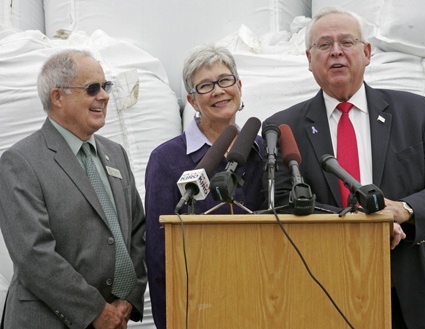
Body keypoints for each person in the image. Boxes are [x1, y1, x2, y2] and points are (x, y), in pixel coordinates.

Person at [263, 6, 425, 329]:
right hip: (325, 290)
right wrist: (362, 226)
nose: (336, 53)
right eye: (324, 45)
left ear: (367, 52)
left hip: (414, 294)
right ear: (309, 58)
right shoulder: (284, 128)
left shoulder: (416, 112)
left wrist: (404, 211)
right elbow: (283, 206)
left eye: (346, 42)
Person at [0, 49, 147, 329]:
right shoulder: (21, 162)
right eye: (92, 88)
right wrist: (95, 311)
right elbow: (34, 255)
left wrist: (127, 299)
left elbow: (137, 233)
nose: (103, 96)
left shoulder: (115, 154)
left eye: (106, 87)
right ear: (57, 97)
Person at [145, 44, 265, 328]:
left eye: (225, 80)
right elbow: (160, 253)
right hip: (200, 306)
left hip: (262, 300)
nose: (219, 91)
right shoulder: (167, 159)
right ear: (192, 100)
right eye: (206, 86)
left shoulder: (263, 152)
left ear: (239, 86)